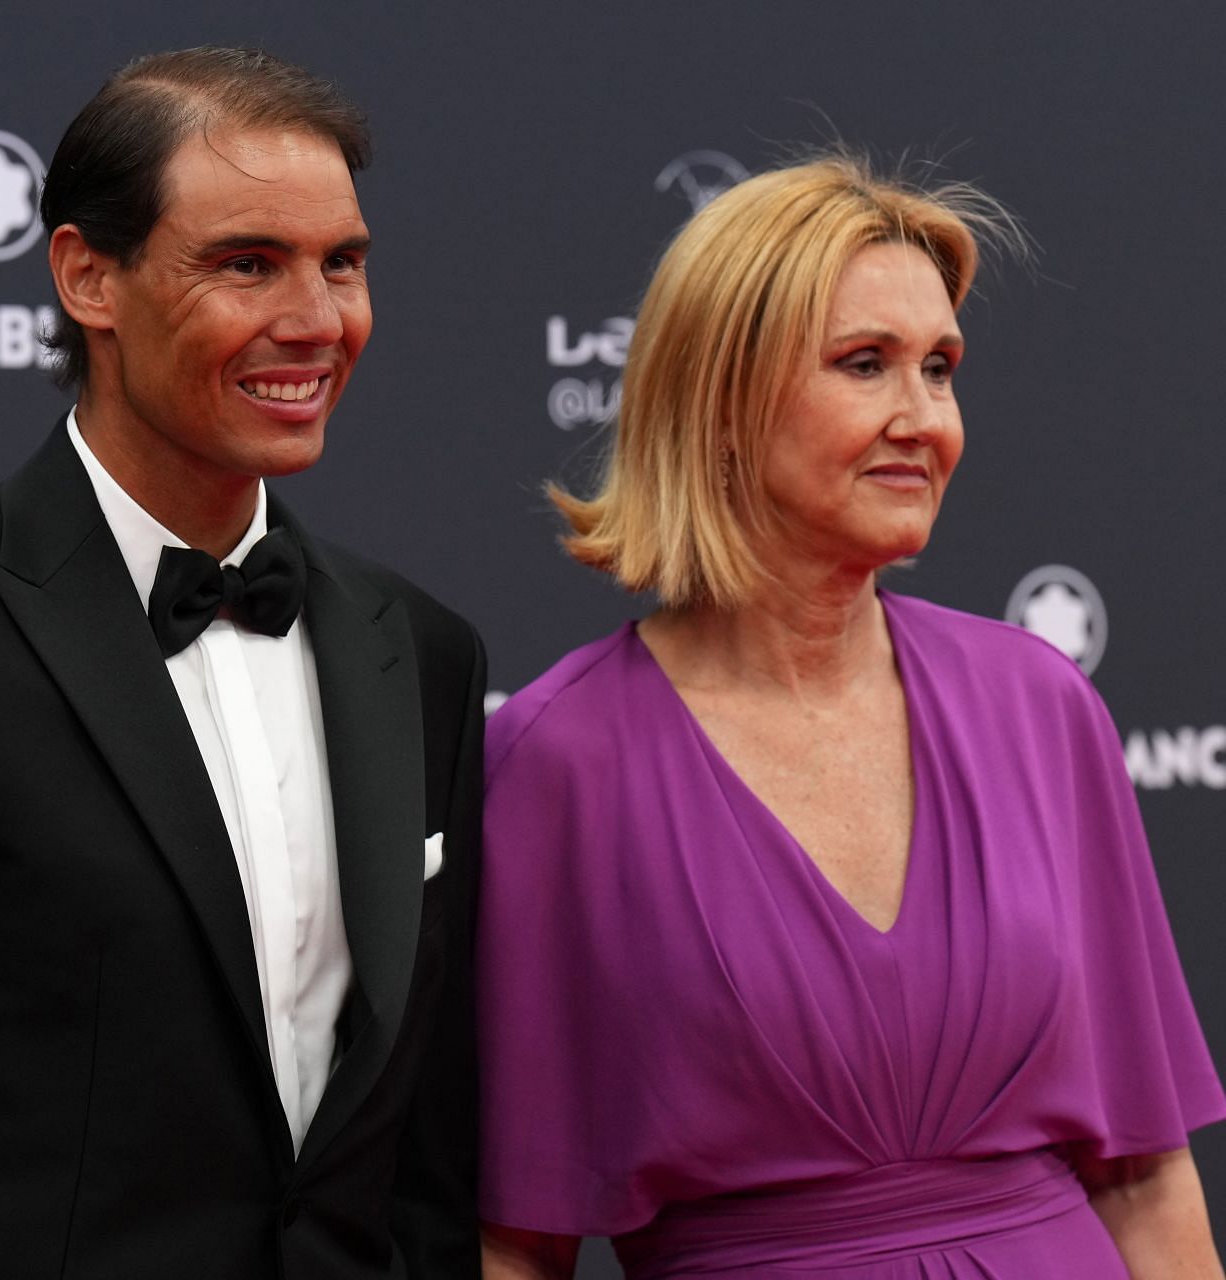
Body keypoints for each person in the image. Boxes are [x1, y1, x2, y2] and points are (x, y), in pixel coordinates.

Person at [0, 46, 486, 1279]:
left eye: (342, 262)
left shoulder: (423, 654)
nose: (317, 318)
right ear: (88, 276)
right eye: (247, 263)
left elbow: (429, 1166)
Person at [476, 155, 1226, 1278]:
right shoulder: (558, 760)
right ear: (719, 397)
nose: (923, 418)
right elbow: (514, 1242)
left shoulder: (1039, 704)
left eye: (941, 368)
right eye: (866, 365)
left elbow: (1148, 1179)